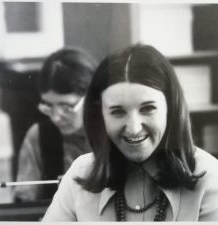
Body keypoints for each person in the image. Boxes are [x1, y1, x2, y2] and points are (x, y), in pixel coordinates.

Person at [43, 44, 218, 221]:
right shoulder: (80, 173)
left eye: (148, 108)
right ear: (100, 115)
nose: (134, 128)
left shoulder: (211, 178)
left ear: (171, 109)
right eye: (117, 112)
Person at [13, 48, 96, 201]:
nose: (56, 118)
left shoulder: (115, 133)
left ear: (92, 99)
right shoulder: (38, 136)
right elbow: (24, 203)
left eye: (66, 107)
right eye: (49, 106)